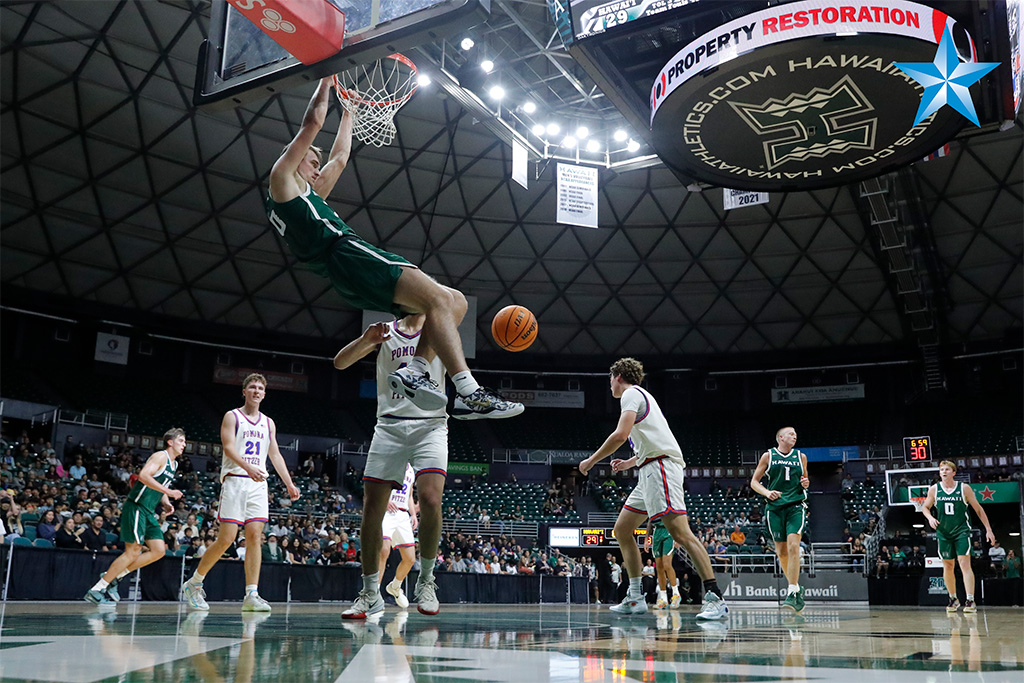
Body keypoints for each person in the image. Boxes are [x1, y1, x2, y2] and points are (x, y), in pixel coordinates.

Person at [266, 78, 522, 421]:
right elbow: (312, 122)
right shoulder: (282, 181)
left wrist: (350, 113)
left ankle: (415, 369)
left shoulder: (304, 199)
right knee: (441, 300)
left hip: (345, 269)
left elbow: (340, 159)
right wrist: (326, 81)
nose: (317, 169)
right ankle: (468, 391)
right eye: (312, 162)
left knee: (453, 302)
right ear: (294, 158)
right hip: (348, 255)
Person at [578, 358, 727, 619]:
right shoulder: (642, 398)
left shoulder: (631, 394)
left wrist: (591, 460)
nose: (609, 384)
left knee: (680, 532)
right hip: (649, 468)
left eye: (610, 378)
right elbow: (653, 440)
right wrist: (630, 462)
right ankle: (635, 596)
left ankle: (715, 597)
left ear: (619, 376)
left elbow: (620, 435)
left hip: (660, 469)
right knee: (622, 530)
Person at [333, 315, 447, 619]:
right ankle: (371, 592)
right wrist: (366, 340)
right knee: (372, 507)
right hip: (390, 425)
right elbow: (340, 363)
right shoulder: (385, 331)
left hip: (430, 425)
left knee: (432, 499)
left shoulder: (440, 329)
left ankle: (427, 580)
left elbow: (460, 367)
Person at [181, 374, 301, 612]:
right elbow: (227, 448)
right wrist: (248, 468)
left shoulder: (268, 423)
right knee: (226, 539)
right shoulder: (232, 416)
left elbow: (274, 454)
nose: (256, 391)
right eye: (252, 387)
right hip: (236, 480)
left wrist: (288, 483)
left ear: (264, 394)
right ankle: (194, 583)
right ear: (244, 391)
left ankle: (251, 594)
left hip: (258, 484)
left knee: (256, 537)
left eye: (260, 388)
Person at [84, 428, 186, 604]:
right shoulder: (160, 456)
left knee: (159, 551)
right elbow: (144, 476)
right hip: (136, 506)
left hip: (148, 510)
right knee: (133, 551)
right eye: (181, 441)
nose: (184, 444)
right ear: (170, 442)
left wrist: (165, 500)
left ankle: (115, 576)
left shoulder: (174, 464)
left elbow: (158, 483)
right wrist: (168, 491)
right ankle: (97, 589)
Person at [920, 461, 995, 613]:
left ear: (953, 472)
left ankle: (970, 600)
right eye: (941, 470)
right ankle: (953, 598)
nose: (944, 472)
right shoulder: (934, 489)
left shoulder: (964, 488)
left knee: (964, 563)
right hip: (943, 532)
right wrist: (929, 518)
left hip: (961, 531)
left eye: (947, 469)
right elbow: (925, 507)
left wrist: (988, 529)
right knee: (947, 565)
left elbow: (979, 510)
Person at [750, 426, 810, 613]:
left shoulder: (801, 457)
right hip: (774, 508)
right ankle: (797, 588)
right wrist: (767, 492)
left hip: (795, 506)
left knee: (794, 547)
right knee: (781, 552)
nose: (795, 436)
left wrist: (806, 483)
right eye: (791, 434)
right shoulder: (768, 456)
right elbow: (753, 482)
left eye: (795, 434)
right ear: (781, 438)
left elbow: (805, 480)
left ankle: (791, 591)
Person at [377, 463, 419, 609]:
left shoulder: (411, 470)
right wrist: (384, 499)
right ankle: (374, 593)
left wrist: (413, 514)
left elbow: (410, 494)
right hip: (387, 511)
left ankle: (394, 586)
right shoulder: (389, 461)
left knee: (410, 559)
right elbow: (376, 484)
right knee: (383, 551)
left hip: (402, 514)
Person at [645, 519, 682, 609]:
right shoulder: (652, 506)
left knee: (667, 564)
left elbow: (678, 516)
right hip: (657, 532)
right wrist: (646, 539)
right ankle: (663, 598)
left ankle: (676, 594)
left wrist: (679, 537)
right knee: (659, 567)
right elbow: (650, 521)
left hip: (669, 531)